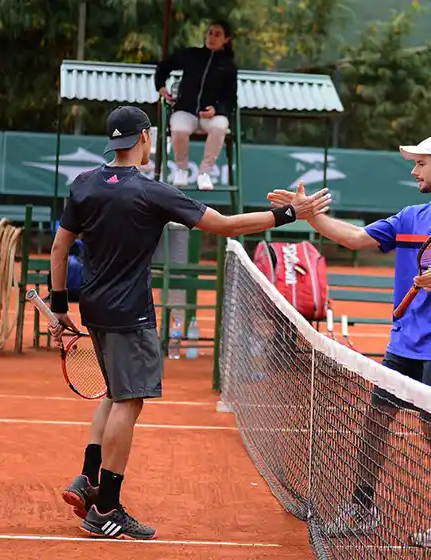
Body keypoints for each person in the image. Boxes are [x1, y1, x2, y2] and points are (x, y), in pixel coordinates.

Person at [49, 105, 330, 540]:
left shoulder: (83, 185)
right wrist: (289, 214)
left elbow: (59, 245)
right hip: (130, 313)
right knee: (130, 400)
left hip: (95, 309)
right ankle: (106, 507)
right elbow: (225, 226)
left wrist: (60, 304)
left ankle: (87, 480)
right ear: (144, 138)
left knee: (113, 392)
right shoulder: (151, 191)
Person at [267, 135, 431, 548]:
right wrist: (308, 216)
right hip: (404, 345)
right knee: (375, 422)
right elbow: (354, 238)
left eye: (421, 164)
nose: (414, 171)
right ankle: (363, 508)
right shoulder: (410, 216)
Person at [154, 19, 237, 190]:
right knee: (179, 129)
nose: (212, 37)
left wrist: (216, 110)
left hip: (211, 115)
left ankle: (204, 173)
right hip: (186, 110)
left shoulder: (229, 66)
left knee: (220, 126)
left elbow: (230, 98)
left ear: (226, 39)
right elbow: (164, 66)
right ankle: (181, 170)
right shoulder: (192, 55)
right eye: (210, 33)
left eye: (217, 34)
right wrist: (161, 87)